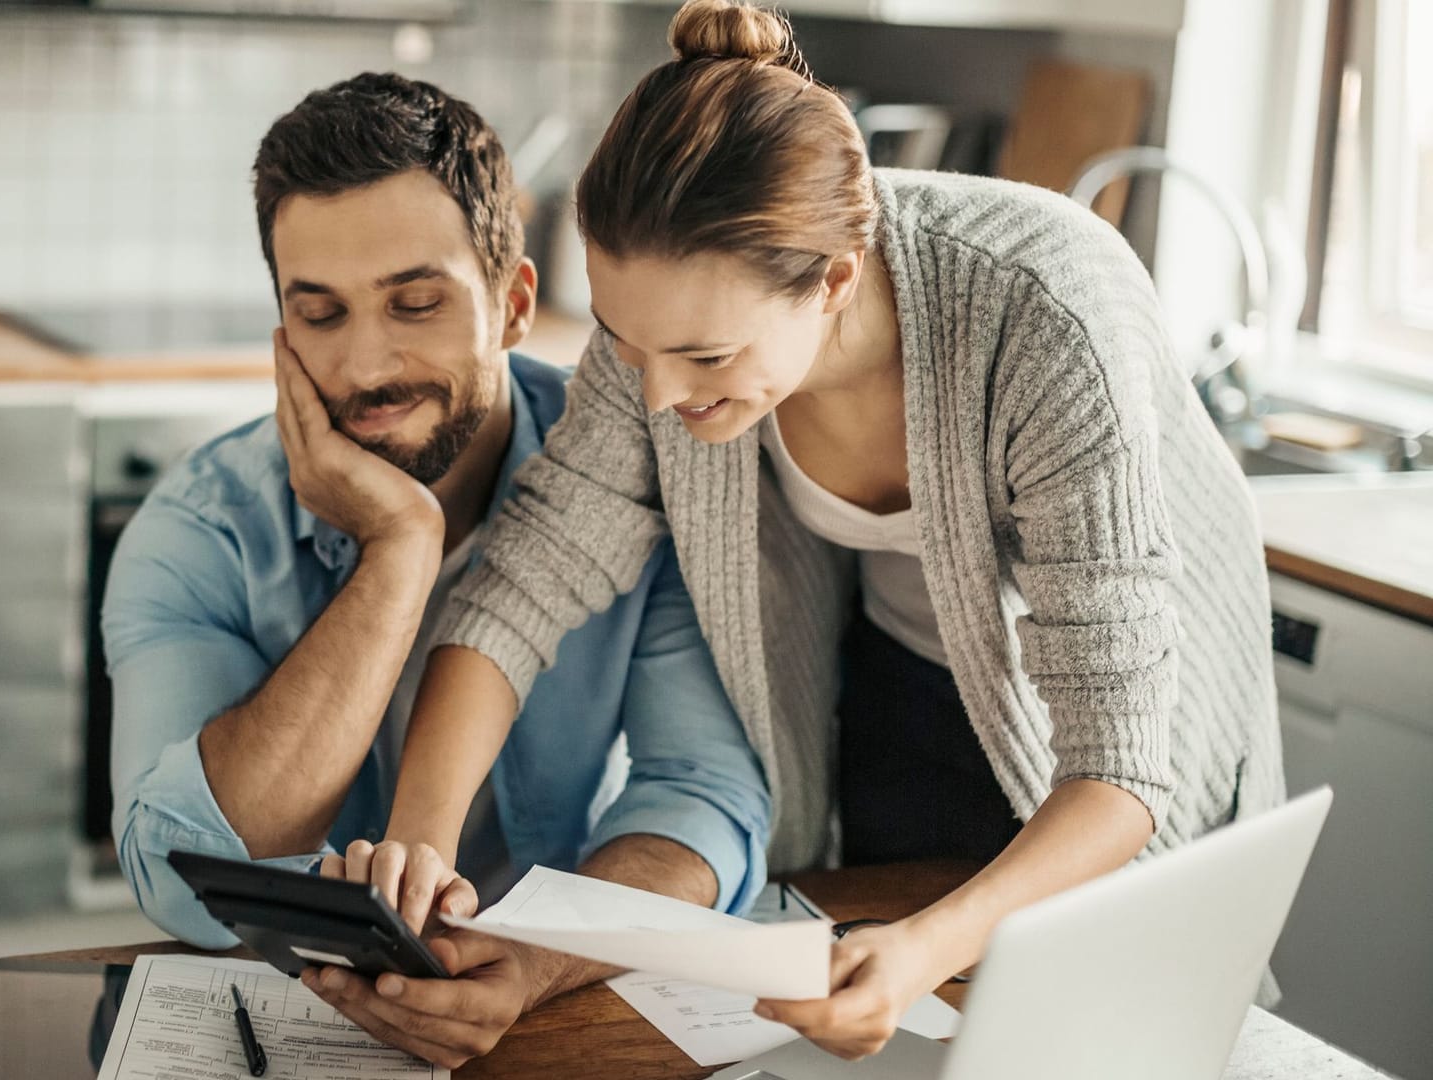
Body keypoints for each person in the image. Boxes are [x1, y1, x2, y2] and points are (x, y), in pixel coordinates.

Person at [345, 0, 1286, 1061]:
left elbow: (1120, 769)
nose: (656, 398)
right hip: (901, 682)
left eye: (703, 358)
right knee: (922, 1040)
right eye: (624, 342)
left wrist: (922, 947)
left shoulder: (1044, 314)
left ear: (835, 280)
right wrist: (415, 849)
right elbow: (530, 577)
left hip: (1115, 742)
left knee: (1100, 1033)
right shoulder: (664, 331)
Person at [101, 71, 772, 1070]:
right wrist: (399, 551)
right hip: (301, 1030)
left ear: (512, 305)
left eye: (415, 303)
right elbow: (181, 875)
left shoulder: (640, 483)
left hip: (559, 1002)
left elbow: (703, 802)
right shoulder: (202, 529)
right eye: (320, 315)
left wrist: (538, 958)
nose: (368, 366)